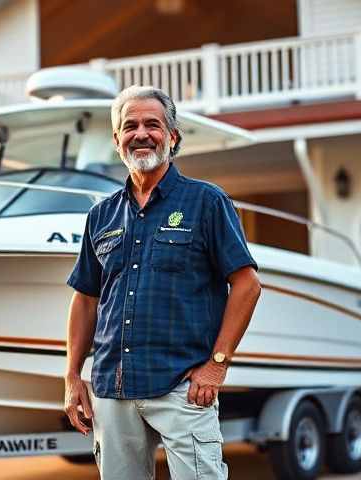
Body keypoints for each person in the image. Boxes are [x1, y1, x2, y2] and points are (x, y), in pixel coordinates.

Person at [64, 85, 262, 480]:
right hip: (111, 389)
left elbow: (247, 284)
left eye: (153, 124)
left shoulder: (207, 202)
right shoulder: (100, 216)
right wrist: (72, 376)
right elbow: (85, 299)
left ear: (172, 136)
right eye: (130, 125)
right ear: (117, 139)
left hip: (182, 386)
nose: (141, 133)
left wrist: (217, 366)